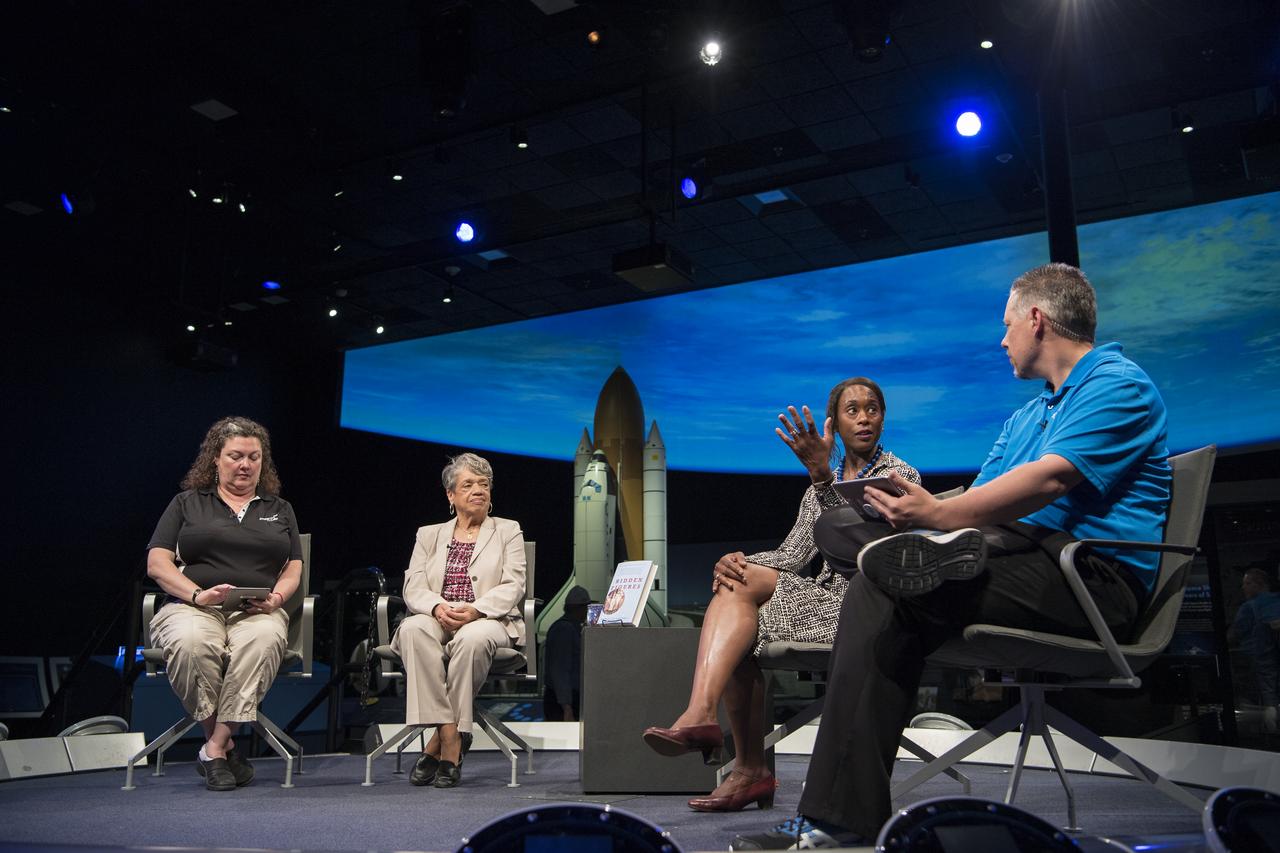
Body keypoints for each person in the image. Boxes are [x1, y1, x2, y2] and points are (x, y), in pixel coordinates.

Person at [733, 262, 1173, 849]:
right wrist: (913, 508)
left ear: (1037, 320)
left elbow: (1049, 481)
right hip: (1004, 555)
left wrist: (938, 518)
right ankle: (842, 819)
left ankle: (838, 821)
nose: (1003, 338)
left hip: (1086, 577)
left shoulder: (1117, 384)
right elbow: (979, 493)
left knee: (887, 577)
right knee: (852, 541)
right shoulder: (1027, 415)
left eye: (1007, 324)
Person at [642, 378, 921, 812]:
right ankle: (713, 728)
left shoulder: (900, 476)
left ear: (883, 416)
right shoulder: (817, 490)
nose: (864, 418)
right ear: (834, 424)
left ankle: (743, 764)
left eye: (872, 408)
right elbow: (791, 555)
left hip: (870, 605)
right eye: (853, 410)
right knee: (735, 586)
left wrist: (823, 478)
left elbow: (864, 552)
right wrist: (738, 561)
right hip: (823, 602)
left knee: (741, 609)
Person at [145, 416, 304, 792]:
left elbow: (293, 568)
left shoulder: (279, 509)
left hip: (257, 610)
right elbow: (157, 563)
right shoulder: (187, 503)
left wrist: (277, 598)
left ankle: (213, 749)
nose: (245, 464)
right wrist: (197, 595)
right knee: (190, 642)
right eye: (235, 456)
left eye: (254, 457)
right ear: (215, 458)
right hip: (194, 605)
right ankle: (226, 745)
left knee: (262, 641)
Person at [393, 452, 526, 789]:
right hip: (437, 614)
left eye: (484, 484)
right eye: (468, 484)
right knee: (412, 629)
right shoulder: (429, 535)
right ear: (451, 495)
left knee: (472, 638)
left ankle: (440, 746)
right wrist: (437, 607)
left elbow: (514, 584)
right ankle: (452, 734)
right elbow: (413, 586)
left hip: (487, 617)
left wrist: (478, 609)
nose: (478, 490)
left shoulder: (508, 530)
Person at [1230, 566, 1280, 732]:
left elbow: (1235, 634)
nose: (1243, 587)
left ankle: (1269, 734)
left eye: (1247, 583)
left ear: (1259, 584)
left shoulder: (1249, 607)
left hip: (1257, 659)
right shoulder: (1277, 600)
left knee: (1265, 697)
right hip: (1274, 655)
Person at [543, 585, 592, 722]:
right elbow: (560, 670)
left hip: (564, 699)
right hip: (562, 702)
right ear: (579, 608)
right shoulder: (565, 630)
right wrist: (566, 706)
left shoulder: (568, 628)